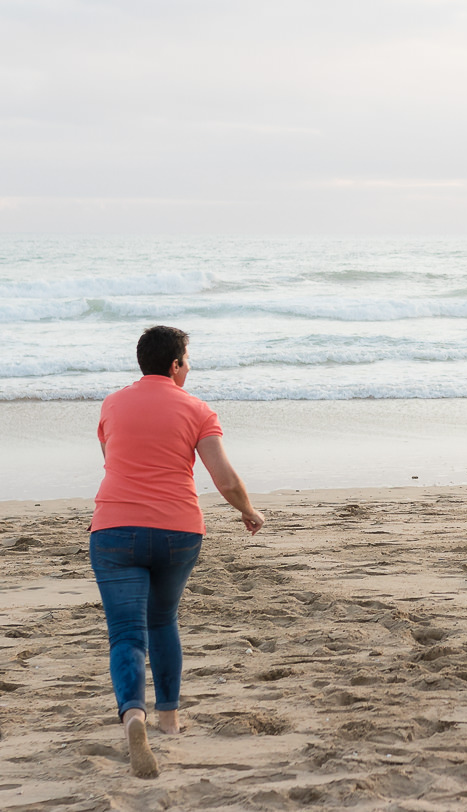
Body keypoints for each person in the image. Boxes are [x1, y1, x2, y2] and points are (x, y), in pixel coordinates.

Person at [90, 325, 265, 778]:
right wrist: (249, 511)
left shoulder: (112, 404)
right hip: (177, 532)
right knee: (162, 619)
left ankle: (133, 716)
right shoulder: (197, 409)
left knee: (126, 634)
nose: (188, 367)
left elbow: (111, 455)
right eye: (187, 360)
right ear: (175, 364)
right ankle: (169, 719)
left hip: (114, 530)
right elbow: (224, 479)